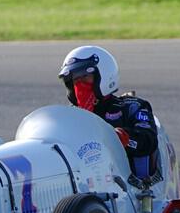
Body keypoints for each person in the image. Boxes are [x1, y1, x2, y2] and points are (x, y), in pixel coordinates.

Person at [58, 45, 160, 183]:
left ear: (104, 75)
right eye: (75, 80)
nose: (79, 85)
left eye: (85, 76)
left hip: (129, 186)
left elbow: (148, 142)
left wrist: (122, 138)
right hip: (84, 184)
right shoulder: (68, 117)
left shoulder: (132, 107)